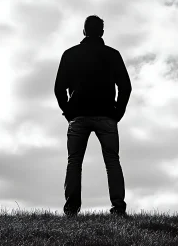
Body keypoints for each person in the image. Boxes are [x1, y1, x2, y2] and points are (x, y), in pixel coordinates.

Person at [54, 15, 132, 217]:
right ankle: (118, 208)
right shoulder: (113, 55)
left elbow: (58, 88)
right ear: (102, 33)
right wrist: (118, 113)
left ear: (83, 31)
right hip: (106, 115)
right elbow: (125, 87)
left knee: (74, 162)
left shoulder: (70, 54)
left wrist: (69, 112)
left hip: (78, 116)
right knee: (112, 161)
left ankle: (71, 209)